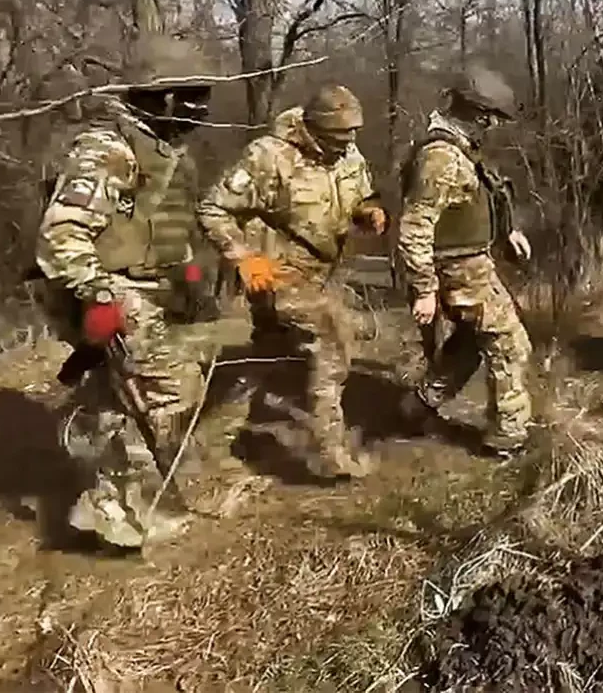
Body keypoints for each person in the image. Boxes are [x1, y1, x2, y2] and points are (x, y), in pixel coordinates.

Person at [34, 35, 213, 549]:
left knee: (124, 397)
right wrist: (99, 297)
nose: (202, 108)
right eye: (192, 95)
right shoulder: (108, 148)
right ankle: (126, 508)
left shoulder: (162, 150)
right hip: (109, 289)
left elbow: (158, 228)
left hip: (145, 285)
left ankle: (107, 498)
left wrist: (190, 277)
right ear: (162, 98)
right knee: (170, 390)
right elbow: (61, 233)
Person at [197, 84, 385, 479]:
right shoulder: (269, 157)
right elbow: (213, 209)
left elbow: (359, 196)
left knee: (269, 353)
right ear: (313, 128)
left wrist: (368, 212)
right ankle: (331, 457)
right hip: (275, 271)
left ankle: (212, 438)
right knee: (332, 342)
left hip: (318, 271)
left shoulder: (349, 155)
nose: (348, 141)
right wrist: (243, 257)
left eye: (353, 133)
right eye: (338, 134)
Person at [397, 64, 535, 454]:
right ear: (478, 114)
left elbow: (479, 197)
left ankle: (418, 405)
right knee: (509, 344)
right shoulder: (441, 156)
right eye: (491, 119)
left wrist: (508, 230)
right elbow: (416, 225)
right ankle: (508, 437)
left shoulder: (458, 150)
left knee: (472, 342)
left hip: (468, 264)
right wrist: (424, 290)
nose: (492, 127)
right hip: (459, 270)